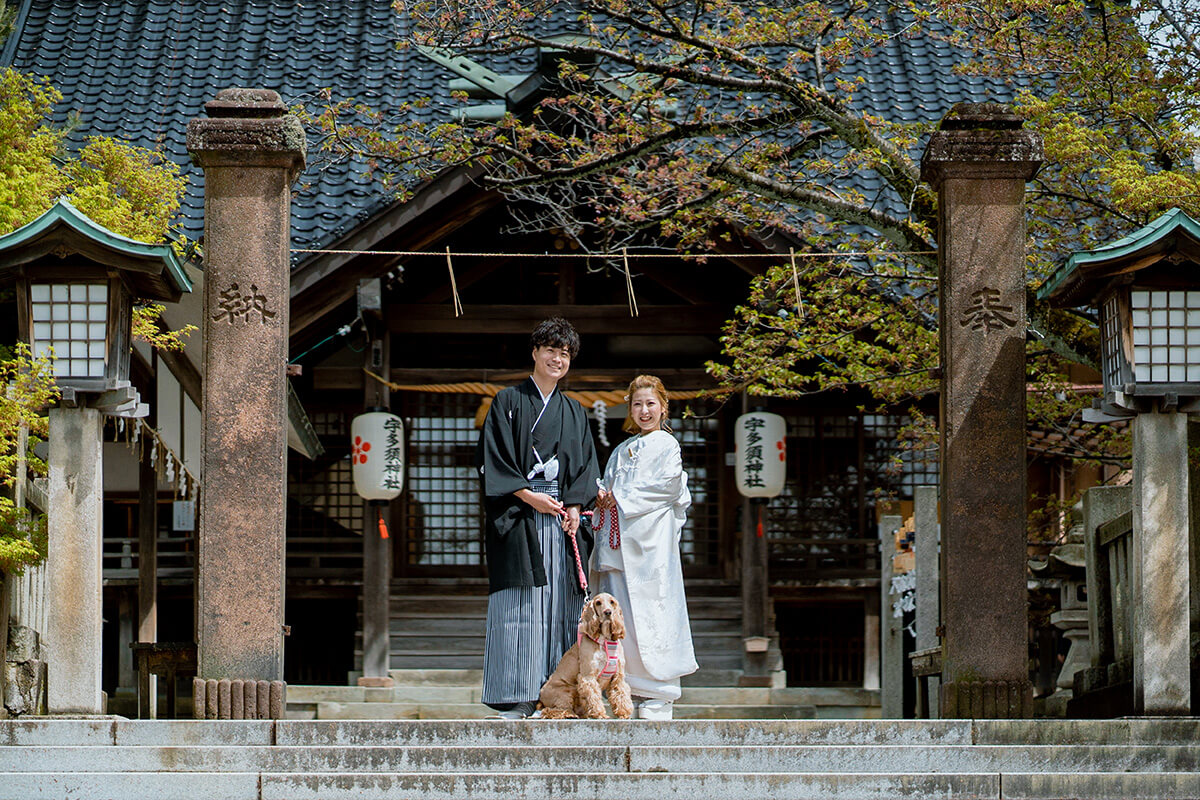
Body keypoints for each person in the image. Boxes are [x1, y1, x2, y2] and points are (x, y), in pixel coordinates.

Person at [475, 317, 601, 719]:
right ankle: (518, 696)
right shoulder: (507, 402)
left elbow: (585, 469)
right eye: (551, 350)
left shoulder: (574, 412)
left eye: (565, 354)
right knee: (520, 607)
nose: (557, 359)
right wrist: (530, 497)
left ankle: (558, 698)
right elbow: (493, 461)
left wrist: (576, 508)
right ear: (535, 352)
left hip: (562, 520)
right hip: (519, 516)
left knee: (562, 607)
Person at [592, 374, 698, 720]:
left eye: (651, 403)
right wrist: (603, 496)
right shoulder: (622, 449)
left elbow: (668, 488)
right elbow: (609, 487)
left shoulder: (668, 446)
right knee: (625, 618)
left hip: (651, 547)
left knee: (656, 614)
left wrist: (619, 497)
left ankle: (661, 693)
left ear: (664, 407)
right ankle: (632, 688)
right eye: (637, 404)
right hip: (621, 543)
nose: (644, 410)